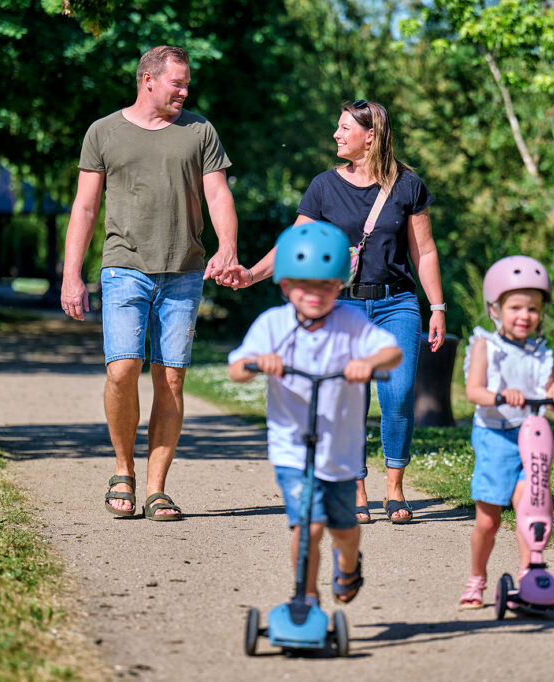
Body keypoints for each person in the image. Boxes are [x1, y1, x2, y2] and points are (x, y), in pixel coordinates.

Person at [228, 99, 445, 524]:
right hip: (342, 305)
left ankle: (396, 490)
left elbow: (425, 251)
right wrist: (251, 275)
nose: (336, 134)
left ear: (371, 136)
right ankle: (357, 488)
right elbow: (296, 243)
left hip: (396, 303)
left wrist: (436, 306)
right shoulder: (323, 186)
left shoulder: (407, 186)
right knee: (349, 400)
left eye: (345, 128)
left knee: (398, 396)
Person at [60, 45, 240, 521]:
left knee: (171, 378)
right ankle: (123, 469)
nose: (184, 91)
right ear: (148, 80)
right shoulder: (104, 132)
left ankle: (157, 488)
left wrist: (227, 248)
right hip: (124, 268)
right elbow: (84, 207)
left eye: (186, 84)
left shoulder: (199, 131)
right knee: (122, 370)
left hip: (183, 270)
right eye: (176, 82)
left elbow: (218, 194)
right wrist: (71, 273)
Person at [228, 222, 402, 604]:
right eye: (305, 285)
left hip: (340, 454)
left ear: (340, 286)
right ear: (286, 285)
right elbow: (236, 369)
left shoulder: (351, 323)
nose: (315, 294)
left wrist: (368, 362)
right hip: (292, 449)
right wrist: (260, 360)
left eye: (326, 286)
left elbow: (393, 353)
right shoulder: (273, 325)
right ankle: (304, 598)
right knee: (308, 524)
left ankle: (350, 563)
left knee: (343, 528)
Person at [458, 255, 554, 609]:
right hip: (495, 435)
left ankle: (529, 576)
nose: (525, 316)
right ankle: (477, 577)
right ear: (495, 308)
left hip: (531, 436)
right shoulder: (485, 345)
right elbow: (473, 391)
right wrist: (499, 395)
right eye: (516, 308)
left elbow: (547, 391)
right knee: (488, 520)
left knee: (531, 508)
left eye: (534, 309)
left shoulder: (541, 353)